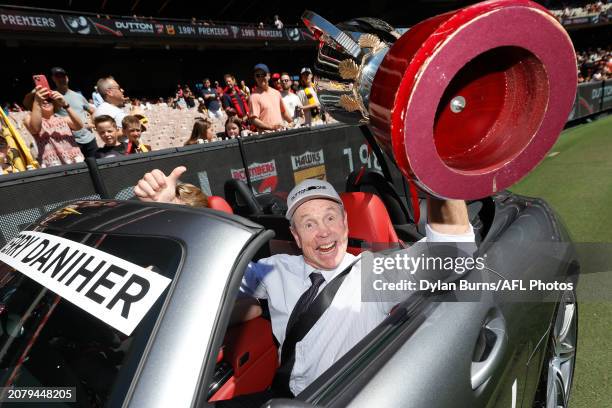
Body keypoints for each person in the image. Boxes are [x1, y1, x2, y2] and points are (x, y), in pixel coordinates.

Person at [134, 171, 474, 403]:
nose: (323, 232)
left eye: (330, 218)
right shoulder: (276, 269)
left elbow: (454, 254)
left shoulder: (376, 273)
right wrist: (166, 213)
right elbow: (199, 284)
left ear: (345, 223)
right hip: (282, 397)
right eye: (308, 224)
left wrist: (438, 175)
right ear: (295, 237)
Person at [23, 86, 84, 168]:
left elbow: (79, 126)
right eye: (41, 99)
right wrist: (37, 101)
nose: (45, 101)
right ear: (34, 103)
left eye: (49, 99)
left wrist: (65, 105)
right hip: (53, 165)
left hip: (74, 161)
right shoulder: (29, 118)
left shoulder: (63, 119)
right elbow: (35, 129)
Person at [50, 67, 98, 158]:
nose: (61, 79)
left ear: (67, 78)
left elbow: (93, 111)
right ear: (53, 79)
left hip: (89, 138)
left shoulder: (78, 96)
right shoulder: (51, 97)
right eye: (57, 77)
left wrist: (91, 122)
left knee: (98, 164)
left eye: (63, 76)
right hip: (69, 141)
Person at [248, 63, 293, 131]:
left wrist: (293, 123)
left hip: (280, 134)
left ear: (269, 76)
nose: (260, 78)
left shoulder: (276, 93)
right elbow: (254, 120)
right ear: (255, 78)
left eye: (263, 75)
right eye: (258, 75)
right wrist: (272, 127)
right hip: (267, 137)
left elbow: (284, 112)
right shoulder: (253, 97)